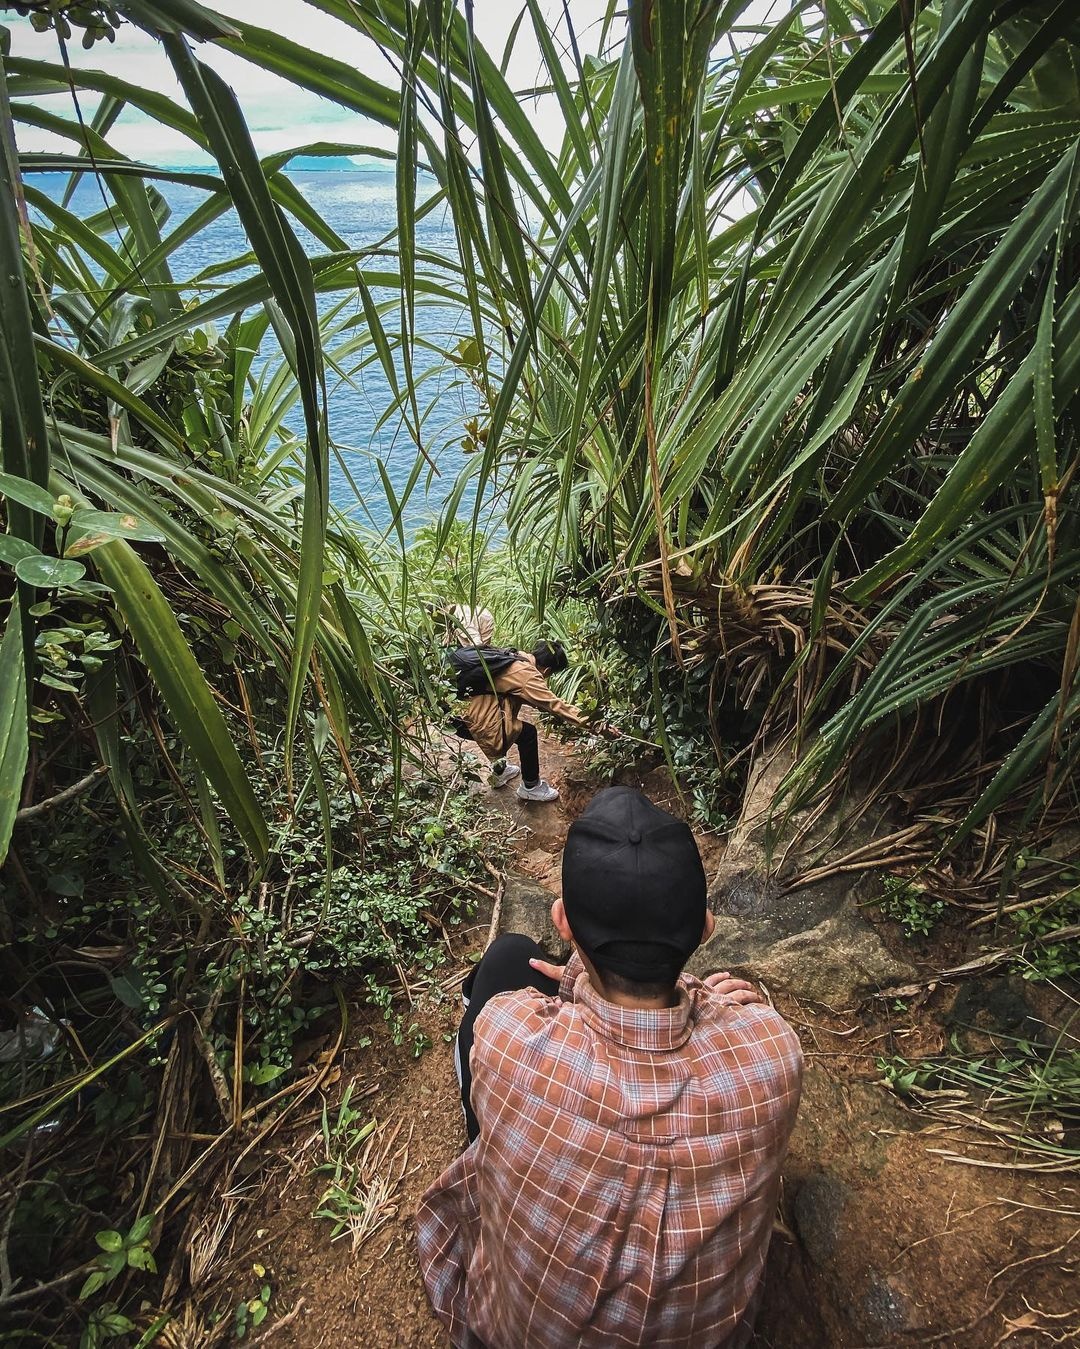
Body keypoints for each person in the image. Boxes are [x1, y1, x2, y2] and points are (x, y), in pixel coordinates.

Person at [416, 786, 803, 1349]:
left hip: (504, 1336)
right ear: (704, 929)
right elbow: (731, 1014)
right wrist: (705, 994)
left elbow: (534, 998)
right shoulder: (773, 1054)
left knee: (506, 959)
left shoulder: (507, 1035)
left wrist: (576, 980)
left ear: (564, 922)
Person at [452, 639, 594, 804]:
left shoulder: (514, 656)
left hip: (453, 716)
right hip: (468, 721)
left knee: (506, 721)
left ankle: (500, 772)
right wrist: (596, 725)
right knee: (526, 733)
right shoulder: (526, 674)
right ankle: (531, 787)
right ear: (547, 670)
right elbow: (557, 706)